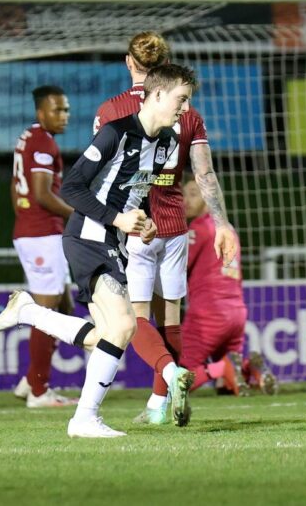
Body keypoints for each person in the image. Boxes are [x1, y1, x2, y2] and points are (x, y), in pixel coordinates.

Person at [0, 64, 198, 438]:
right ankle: (84, 418)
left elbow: (138, 190)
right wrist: (118, 219)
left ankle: (29, 311)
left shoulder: (166, 142)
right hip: (85, 238)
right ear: (159, 95)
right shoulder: (115, 134)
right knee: (126, 325)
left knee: (106, 336)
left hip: (112, 240)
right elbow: (71, 188)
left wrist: (144, 219)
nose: (185, 107)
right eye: (181, 99)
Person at [93, 31, 237, 426]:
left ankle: (169, 380)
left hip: (136, 224)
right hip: (176, 226)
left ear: (129, 63)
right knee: (170, 317)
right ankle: (158, 405)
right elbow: (204, 174)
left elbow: (103, 173)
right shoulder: (188, 113)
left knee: (135, 318)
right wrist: (222, 224)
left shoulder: (112, 110)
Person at [10, 85, 78, 408]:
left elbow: (17, 189)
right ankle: (39, 391)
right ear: (41, 113)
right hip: (40, 235)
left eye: (65, 109)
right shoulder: (43, 143)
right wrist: (78, 215)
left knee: (63, 306)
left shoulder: (30, 137)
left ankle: (29, 380)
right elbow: (41, 194)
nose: (64, 116)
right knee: (47, 312)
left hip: (38, 232)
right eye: (57, 110)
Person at [181, 175, 277, 396]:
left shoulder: (199, 229)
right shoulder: (228, 229)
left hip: (208, 313)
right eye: (184, 194)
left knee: (180, 379)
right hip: (236, 312)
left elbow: (178, 267)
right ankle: (248, 370)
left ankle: (223, 367)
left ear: (209, 198)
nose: (186, 200)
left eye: (193, 194)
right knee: (227, 386)